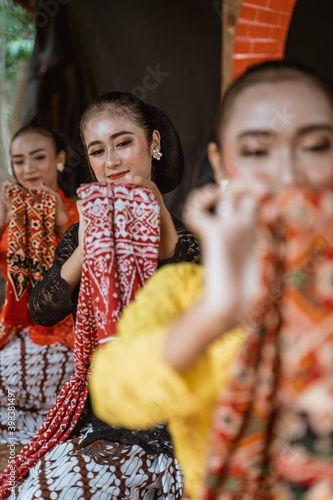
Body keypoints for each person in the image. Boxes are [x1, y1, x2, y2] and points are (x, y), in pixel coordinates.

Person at [89, 61, 333, 499]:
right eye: (257, 151)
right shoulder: (186, 289)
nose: (287, 172)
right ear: (221, 163)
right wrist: (217, 310)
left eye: (315, 145)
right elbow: (115, 392)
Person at [0, 92, 200, 499]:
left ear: (154, 144)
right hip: (105, 414)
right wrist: (85, 247)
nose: (110, 161)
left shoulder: (193, 240)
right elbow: (43, 310)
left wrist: (152, 210)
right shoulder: (80, 232)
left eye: (123, 143)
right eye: (97, 150)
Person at [0, 125, 78, 449]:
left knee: (7, 379)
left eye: (38, 158)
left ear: (59, 159)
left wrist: (62, 223)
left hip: (65, 328)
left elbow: (92, 274)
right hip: (16, 326)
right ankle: (17, 442)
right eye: (19, 161)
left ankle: (31, 444)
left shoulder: (81, 210)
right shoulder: (10, 211)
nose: (28, 169)